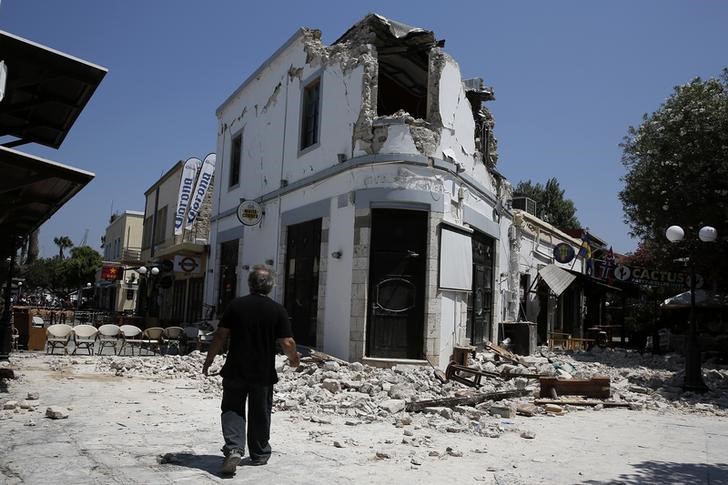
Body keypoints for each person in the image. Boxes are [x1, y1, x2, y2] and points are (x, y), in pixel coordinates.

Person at [202, 264, 300, 475]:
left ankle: (234, 448)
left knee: (232, 408)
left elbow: (220, 335)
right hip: (262, 372)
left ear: (250, 284)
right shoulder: (277, 309)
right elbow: (288, 342)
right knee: (260, 412)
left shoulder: (236, 306)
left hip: (235, 368)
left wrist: (209, 358)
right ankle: (259, 453)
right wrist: (294, 359)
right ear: (271, 286)